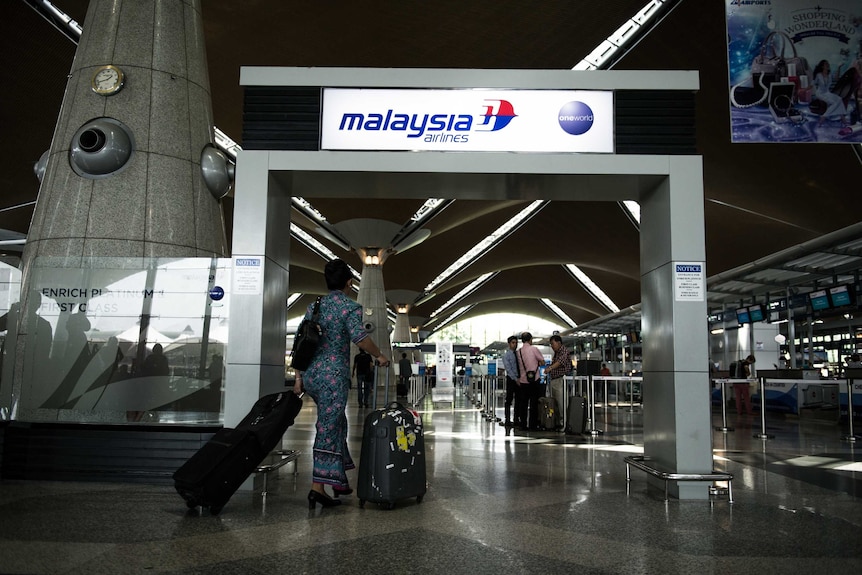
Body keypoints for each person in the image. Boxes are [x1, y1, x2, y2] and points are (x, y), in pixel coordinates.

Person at [293, 259, 390, 509]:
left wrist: (299, 378)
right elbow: (360, 337)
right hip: (332, 378)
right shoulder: (349, 307)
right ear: (349, 282)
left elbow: (300, 343)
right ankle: (318, 487)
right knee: (327, 426)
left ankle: (338, 480)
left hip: (312, 375)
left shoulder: (313, 306)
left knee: (338, 422)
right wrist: (379, 355)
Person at [515, 332, 545, 431]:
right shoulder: (534, 349)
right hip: (534, 380)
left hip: (523, 381)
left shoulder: (518, 352)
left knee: (523, 403)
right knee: (533, 404)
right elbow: (542, 361)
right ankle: (532, 425)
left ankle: (523, 424)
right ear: (530, 339)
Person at [545, 335, 571, 430]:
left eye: (553, 343)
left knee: (562, 403)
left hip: (560, 380)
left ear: (559, 343)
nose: (552, 346)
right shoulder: (557, 352)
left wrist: (550, 368)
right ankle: (557, 423)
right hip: (554, 380)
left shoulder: (564, 351)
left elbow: (560, 362)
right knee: (555, 404)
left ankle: (564, 423)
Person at [812, 59, 847, 126]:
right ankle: (824, 117)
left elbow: (836, 78)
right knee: (834, 103)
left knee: (839, 99)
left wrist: (839, 67)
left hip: (827, 93)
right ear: (822, 66)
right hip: (820, 93)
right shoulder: (819, 75)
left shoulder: (830, 75)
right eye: (826, 64)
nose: (828, 65)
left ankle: (843, 119)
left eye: (828, 63)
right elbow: (813, 83)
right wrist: (806, 90)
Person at [499, 335, 520, 428]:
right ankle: (507, 419)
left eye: (516, 343)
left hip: (519, 379)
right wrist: (516, 379)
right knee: (509, 400)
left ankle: (516, 419)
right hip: (511, 380)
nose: (515, 345)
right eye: (513, 343)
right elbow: (509, 369)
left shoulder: (518, 354)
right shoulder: (506, 355)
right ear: (509, 344)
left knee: (518, 400)